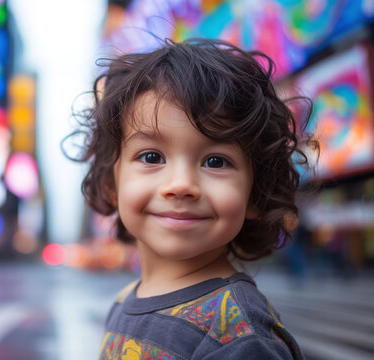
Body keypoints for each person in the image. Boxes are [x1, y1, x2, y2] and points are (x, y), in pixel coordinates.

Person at [72, 38, 317, 359]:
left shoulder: (239, 338)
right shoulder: (124, 301)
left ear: (255, 194)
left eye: (215, 161)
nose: (181, 185)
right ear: (110, 184)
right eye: (151, 156)